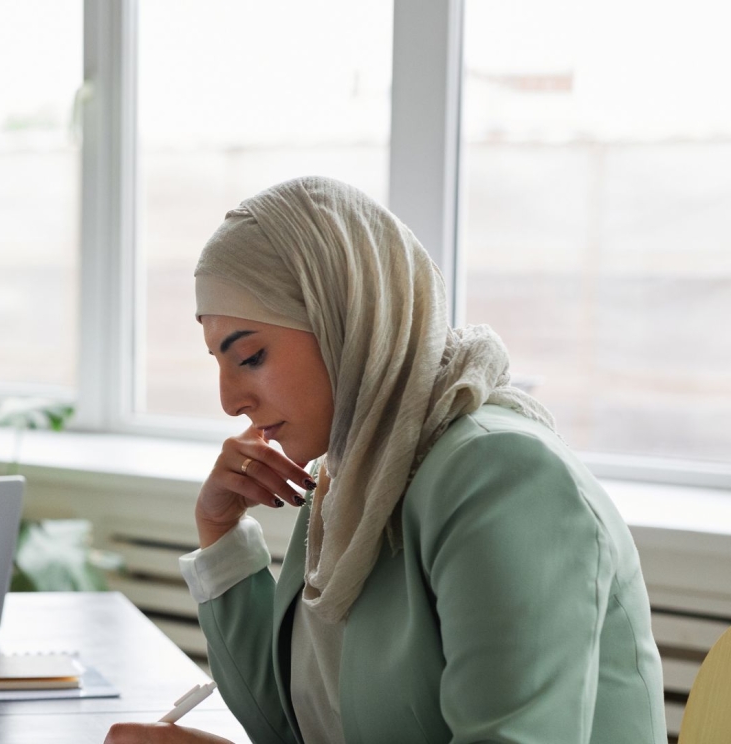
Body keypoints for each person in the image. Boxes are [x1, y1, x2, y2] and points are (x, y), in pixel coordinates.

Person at [105, 177, 664, 743]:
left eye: (249, 356)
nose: (230, 402)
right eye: (219, 365)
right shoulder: (353, 478)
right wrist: (220, 533)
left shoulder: (503, 477)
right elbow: (293, 727)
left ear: (344, 318)